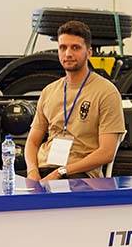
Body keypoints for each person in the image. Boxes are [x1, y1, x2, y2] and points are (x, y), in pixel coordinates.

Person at [25, 20, 126, 181]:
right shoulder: (49, 91)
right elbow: (32, 142)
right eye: (63, 47)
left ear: (89, 52)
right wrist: (32, 171)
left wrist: (61, 172)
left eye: (75, 48)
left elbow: (107, 152)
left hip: (79, 174)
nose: (68, 54)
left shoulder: (106, 92)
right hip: (44, 170)